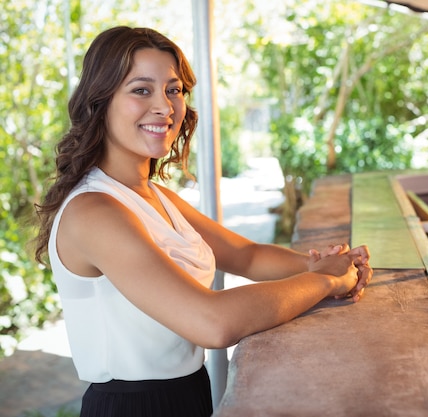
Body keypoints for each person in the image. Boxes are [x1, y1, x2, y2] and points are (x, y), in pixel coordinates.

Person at [34, 26, 372, 417]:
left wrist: (322, 263)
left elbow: (246, 255)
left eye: (173, 90)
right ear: (100, 100)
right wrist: (325, 280)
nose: (165, 106)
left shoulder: (154, 195)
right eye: (141, 90)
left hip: (188, 394)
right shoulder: (94, 211)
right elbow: (212, 323)